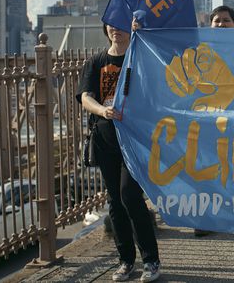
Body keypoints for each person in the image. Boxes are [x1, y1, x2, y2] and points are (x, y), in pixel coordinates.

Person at [76, 25, 161, 282]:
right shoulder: (96, 61)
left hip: (134, 139)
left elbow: (154, 92)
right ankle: (125, 261)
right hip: (105, 138)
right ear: (105, 29)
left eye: (122, 25)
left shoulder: (140, 59)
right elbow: (85, 96)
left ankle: (151, 260)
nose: (116, 30)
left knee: (129, 195)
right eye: (111, 25)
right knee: (114, 200)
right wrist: (102, 110)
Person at [193, 5, 234, 238]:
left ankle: (233, 210)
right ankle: (205, 217)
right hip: (208, 119)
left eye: (226, 20)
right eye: (216, 21)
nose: (221, 24)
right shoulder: (200, 52)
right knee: (206, 165)